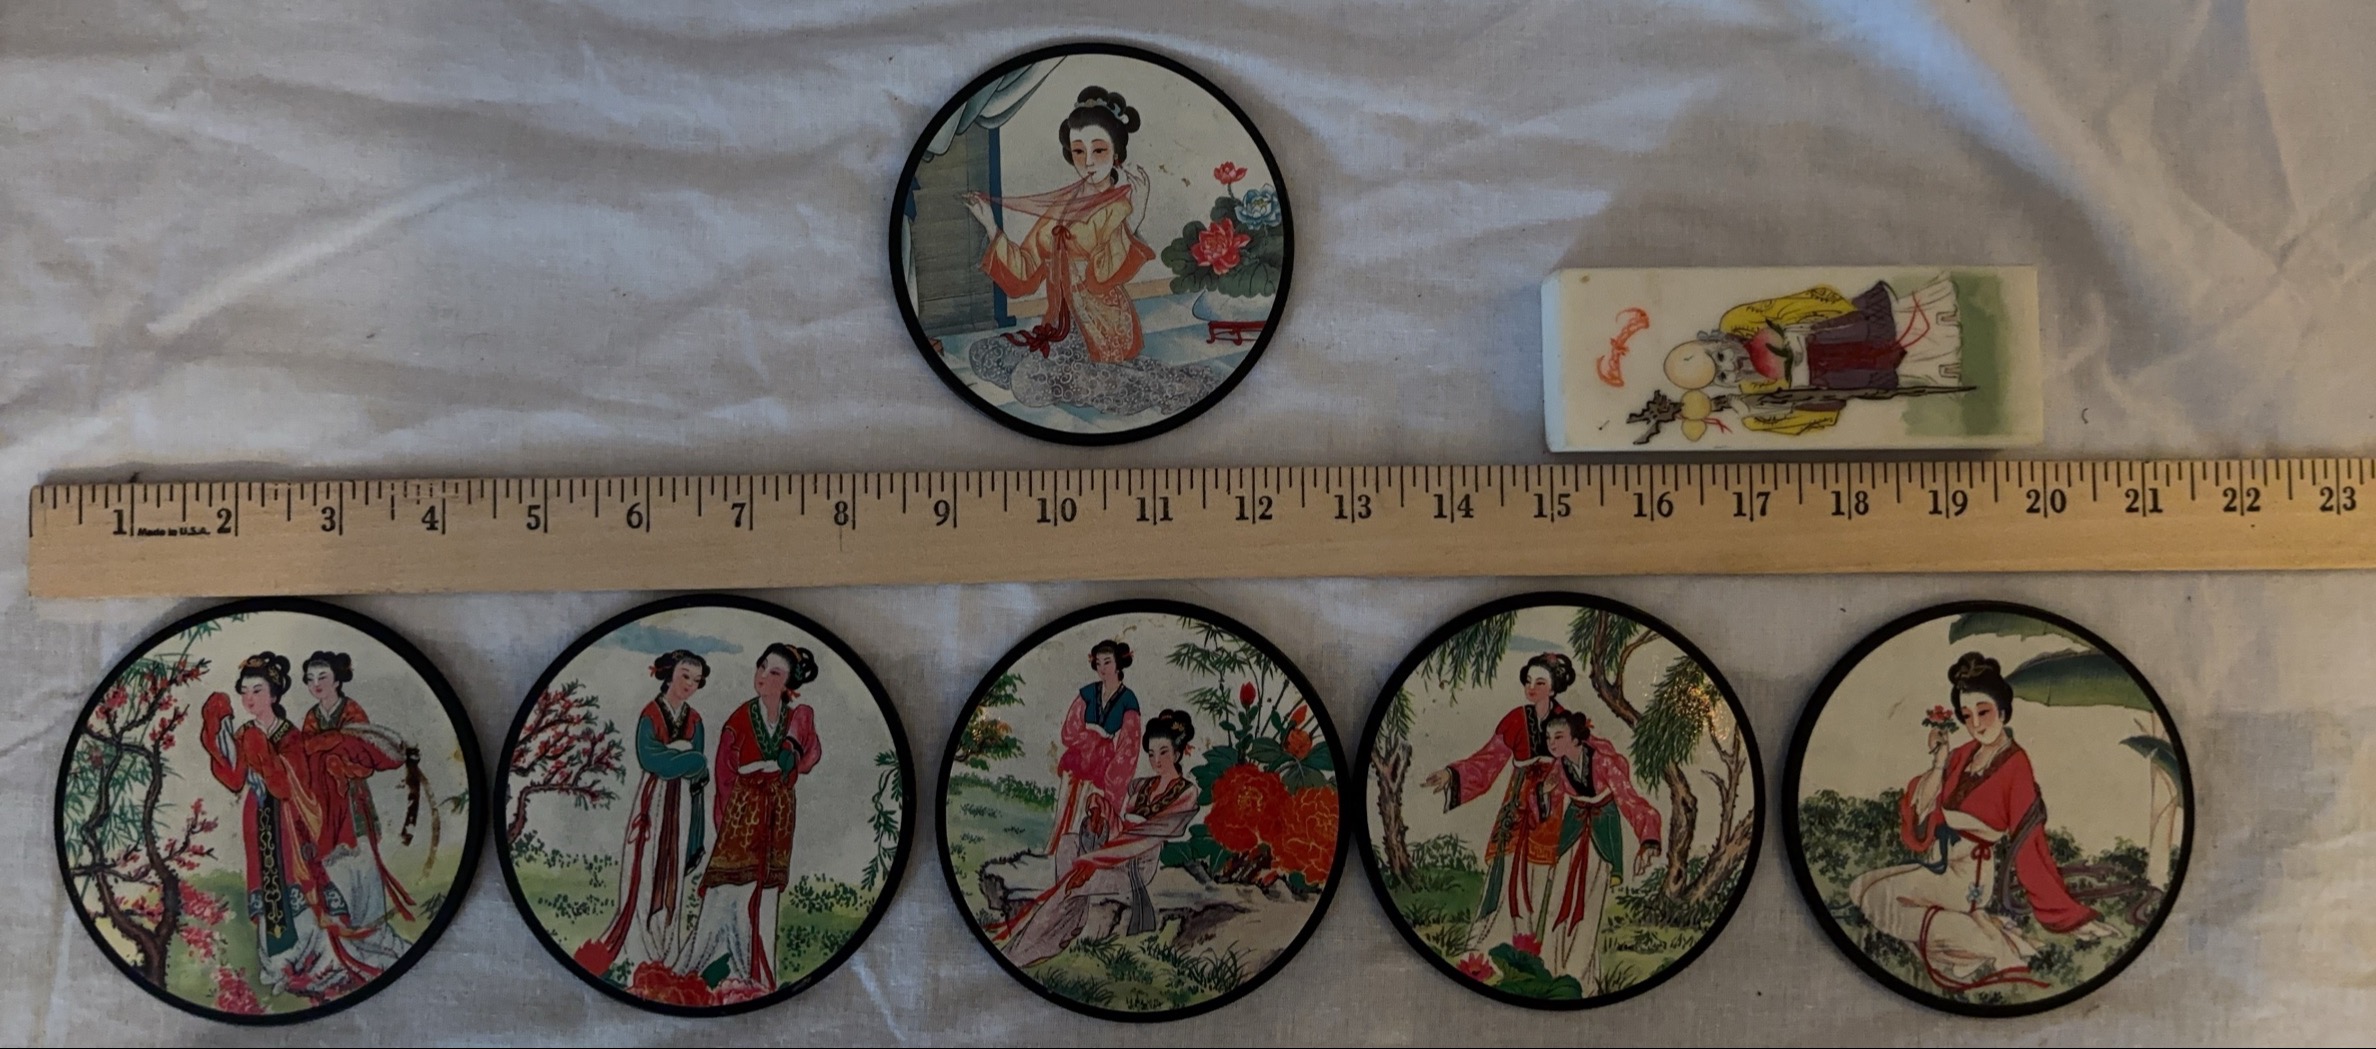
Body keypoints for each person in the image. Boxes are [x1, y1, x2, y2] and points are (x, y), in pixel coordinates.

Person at [1848, 652, 2123, 993]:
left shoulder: (2016, 764)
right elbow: (1924, 811)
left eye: (1984, 712)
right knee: (1860, 888)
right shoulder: (1964, 754)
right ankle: (1971, 938)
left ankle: (1988, 947)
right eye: (1967, 716)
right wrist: (1939, 762)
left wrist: (2070, 918)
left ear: (2003, 712)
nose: (1976, 724)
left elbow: (2029, 845)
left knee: (1878, 899)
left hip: (1969, 875)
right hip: (1942, 865)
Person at [958, 88, 1220, 418]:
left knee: (1027, 384)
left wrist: (1135, 219)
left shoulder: (1120, 206)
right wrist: (990, 226)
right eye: (1079, 151)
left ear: (1116, 153)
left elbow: (1102, 276)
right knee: (983, 355)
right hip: (1058, 327)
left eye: (1099, 150)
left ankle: (1144, 382)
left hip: (1100, 325)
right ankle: (1068, 373)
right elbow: (1026, 270)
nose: (1089, 162)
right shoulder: (1063, 204)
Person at [199, 652, 413, 1001]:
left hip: (289, 819)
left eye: (257, 690)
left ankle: (311, 955)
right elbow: (234, 778)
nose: (249, 698)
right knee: (267, 886)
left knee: (295, 883)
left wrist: (264, 756)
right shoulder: (246, 732)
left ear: (273, 694)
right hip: (258, 817)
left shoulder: (290, 734)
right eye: (244, 691)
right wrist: (216, 732)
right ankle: (279, 961)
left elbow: (290, 783)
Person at [1421, 652, 1606, 955]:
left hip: (1549, 806)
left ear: (1554, 687)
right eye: (1528, 681)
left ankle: (1534, 948)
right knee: (1506, 867)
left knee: (1541, 873)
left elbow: (1588, 762)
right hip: (1516, 803)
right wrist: (1451, 774)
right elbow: (1488, 760)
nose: (1532, 688)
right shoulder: (1515, 720)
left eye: (1540, 682)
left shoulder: (1569, 722)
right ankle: (1496, 941)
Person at [669, 643, 823, 1003]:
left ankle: (758, 977)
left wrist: (788, 762)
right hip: (743, 812)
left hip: (778, 813)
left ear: (788, 683)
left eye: (775, 672)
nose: (763, 676)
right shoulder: (741, 717)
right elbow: (725, 772)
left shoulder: (795, 719)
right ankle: (713, 969)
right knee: (729, 891)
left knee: (765, 894)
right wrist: (727, 818)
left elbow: (808, 756)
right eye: (762, 666)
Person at [993, 709, 1201, 967]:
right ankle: (1073, 919)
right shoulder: (1142, 786)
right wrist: (1099, 808)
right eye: (1151, 754)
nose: (1156, 760)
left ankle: (1020, 952)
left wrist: (1093, 861)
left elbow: (1142, 839)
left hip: (1137, 864)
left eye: (1163, 752)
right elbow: (1121, 827)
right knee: (1068, 844)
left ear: (1178, 754)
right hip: (1115, 852)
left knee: (1072, 883)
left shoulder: (1185, 794)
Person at [575, 649, 711, 983]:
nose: (689, 684)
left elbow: (698, 763)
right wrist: (687, 759)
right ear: (670, 674)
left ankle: (666, 947)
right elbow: (651, 757)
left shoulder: (695, 719)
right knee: (646, 868)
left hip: (683, 801)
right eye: (684, 676)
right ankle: (638, 946)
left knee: (673, 871)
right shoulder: (651, 713)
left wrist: (685, 760)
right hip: (655, 798)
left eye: (696, 680)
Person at [292, 652, 420, 972]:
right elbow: (305, 758)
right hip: (323, 802)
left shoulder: (351, 710)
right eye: (310, 679)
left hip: (352, 800)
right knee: (332, 866)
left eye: (322, 677)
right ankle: (339, 940)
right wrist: (325, 753)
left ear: (337, 679)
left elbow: (367, 756)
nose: (316, 684)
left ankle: (372, 934)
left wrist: (338, 758)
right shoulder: (311, 717)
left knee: (363, 863)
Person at [1536, 711, 1662, 993]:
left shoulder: (1603, 763)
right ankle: (1551, 968)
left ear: (1575, 738)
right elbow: (1547, 808)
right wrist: (1544, 792)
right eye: (1549, 737)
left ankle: (1579, 976)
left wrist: (1648, 840)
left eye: (1559, 737)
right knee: (1559, 897)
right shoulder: (1558, 767)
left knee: (1590, 903)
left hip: (1602, 832)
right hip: (1572, 831)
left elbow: (1629, 799)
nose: (1552, 743)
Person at [1047, 639, 1141, 879]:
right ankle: (1055, 852)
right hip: (1079, 754)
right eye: (1098, 663)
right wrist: (1087, 738)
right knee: (1066, 804)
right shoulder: (1088, 692)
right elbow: (1070, 728)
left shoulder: (1128, 699)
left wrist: (1114, 773)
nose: (1102, 668)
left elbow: (1129, 743)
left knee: (1088, 810)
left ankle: (1080, 860)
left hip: (1103, 761)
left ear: (1118, 664)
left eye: (1107, 662)